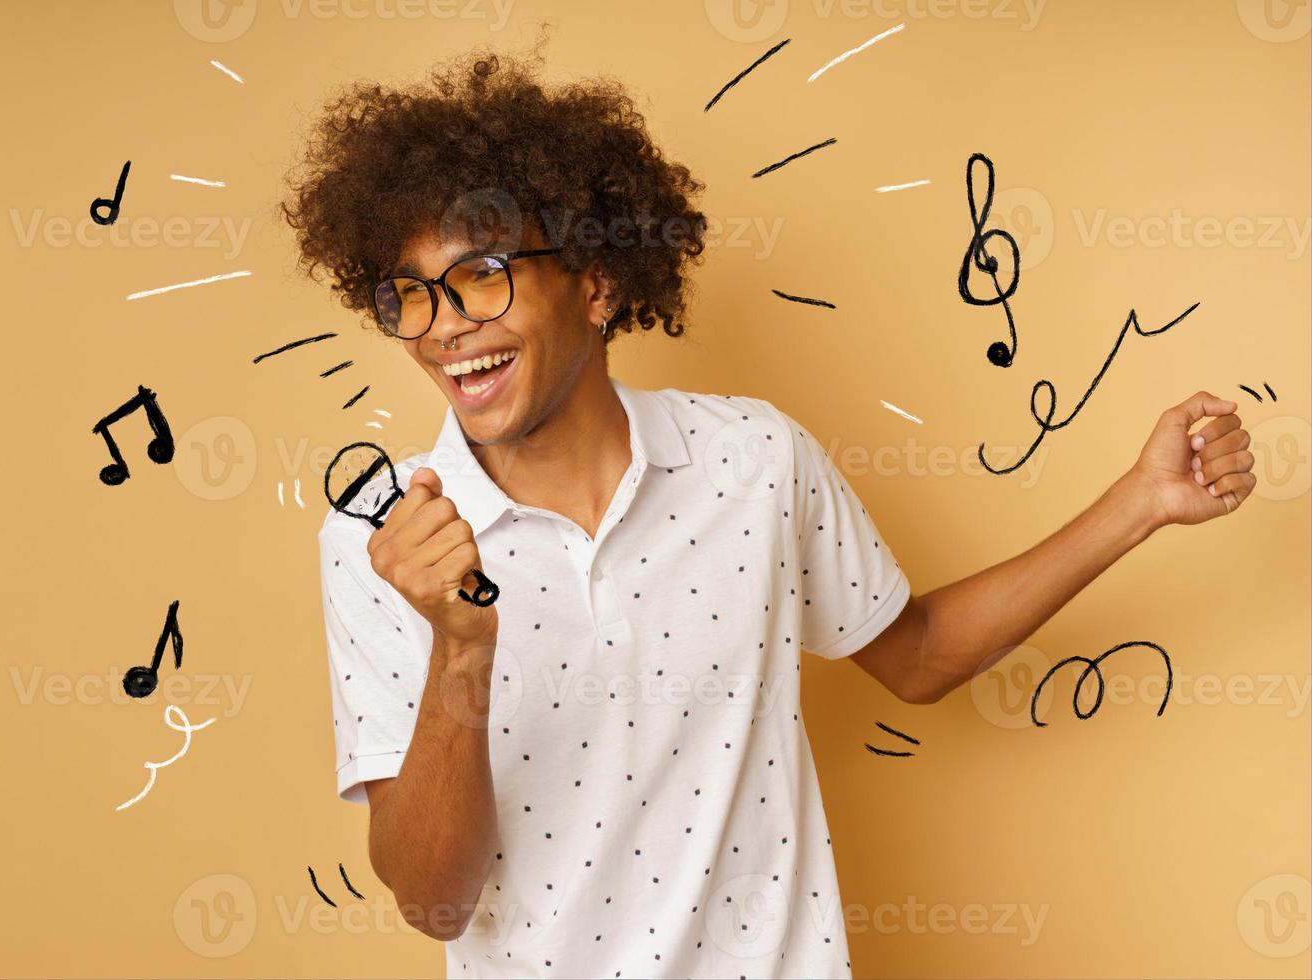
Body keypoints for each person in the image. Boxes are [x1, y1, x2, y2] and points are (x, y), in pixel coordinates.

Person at [284, 39, 1256, 980]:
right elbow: (435, 902)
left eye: (483, 276)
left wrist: (1142, 501)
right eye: (409, 294)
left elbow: (916, 652)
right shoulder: (381, 543)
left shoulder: (753, 458)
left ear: (597, 281)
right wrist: (460, 642)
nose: (446, 326)